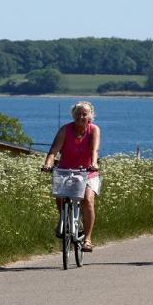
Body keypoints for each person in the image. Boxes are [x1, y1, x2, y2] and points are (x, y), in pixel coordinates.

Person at [42, 101, 101, 252]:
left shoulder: (93, 130)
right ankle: (63, 219)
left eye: (84, 114)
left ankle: (87, 239)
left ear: (90, 116)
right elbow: (53, 151)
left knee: (87, 200)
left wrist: (94, 163)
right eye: (78, 114)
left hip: (88, 171)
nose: (81, 117)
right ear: (73, 115)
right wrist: (48, 164)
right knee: (60, 196)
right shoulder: (65, 130)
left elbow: (94, 150)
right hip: (66, 170)